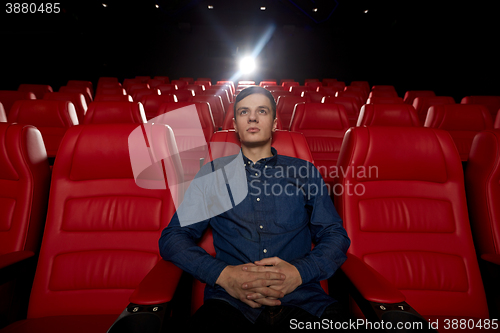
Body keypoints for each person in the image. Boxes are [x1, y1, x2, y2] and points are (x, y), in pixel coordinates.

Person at [159, 86, 350, 332]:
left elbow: (335, 235)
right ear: (235, 125)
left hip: (303, 300)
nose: (252, 117)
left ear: (274, 123)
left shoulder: (304, 172)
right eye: (243, 112)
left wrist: (299, 273)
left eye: (261, 111)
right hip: (230, 304)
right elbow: (173, 237)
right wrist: (224, 275)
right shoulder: (213, 175)